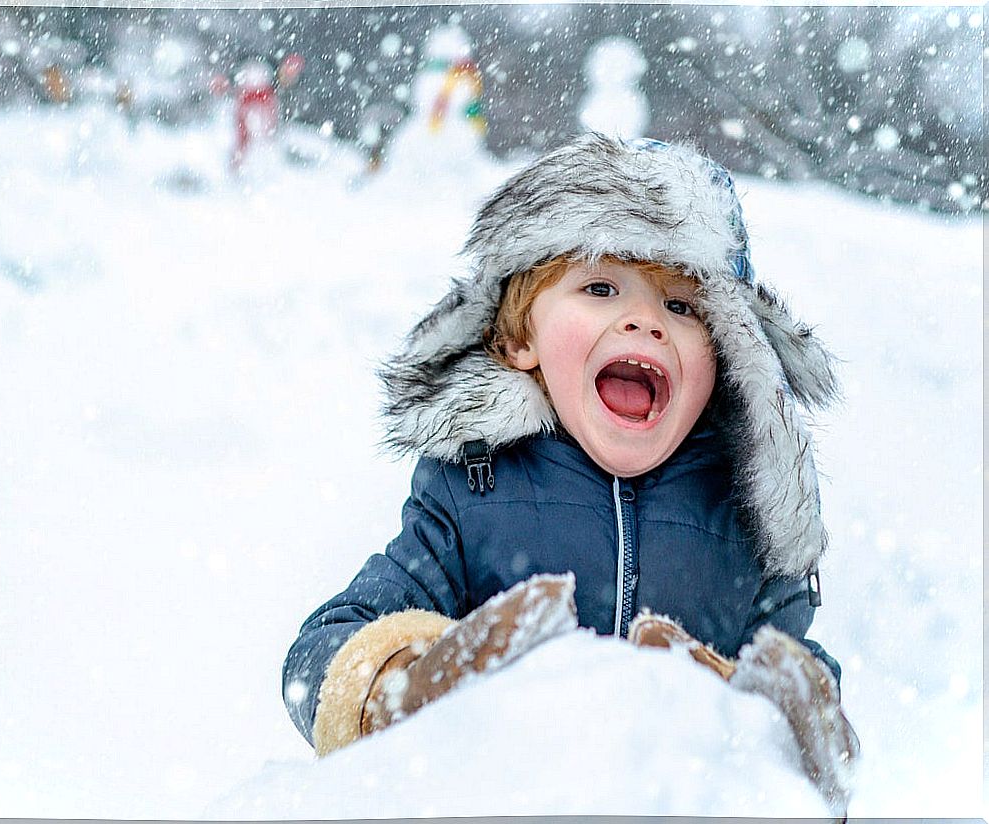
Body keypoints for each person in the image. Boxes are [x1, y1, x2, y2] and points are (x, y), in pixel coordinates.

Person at [282, 133, 858, 814]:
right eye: (600, 287)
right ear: (521, 337)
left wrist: (762, 711)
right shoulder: (475, 490)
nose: (645, 321)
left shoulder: (742, 512)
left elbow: (803, 703)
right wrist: (410, 683)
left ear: (727, 351)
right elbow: (323, 652)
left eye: (682, 306)